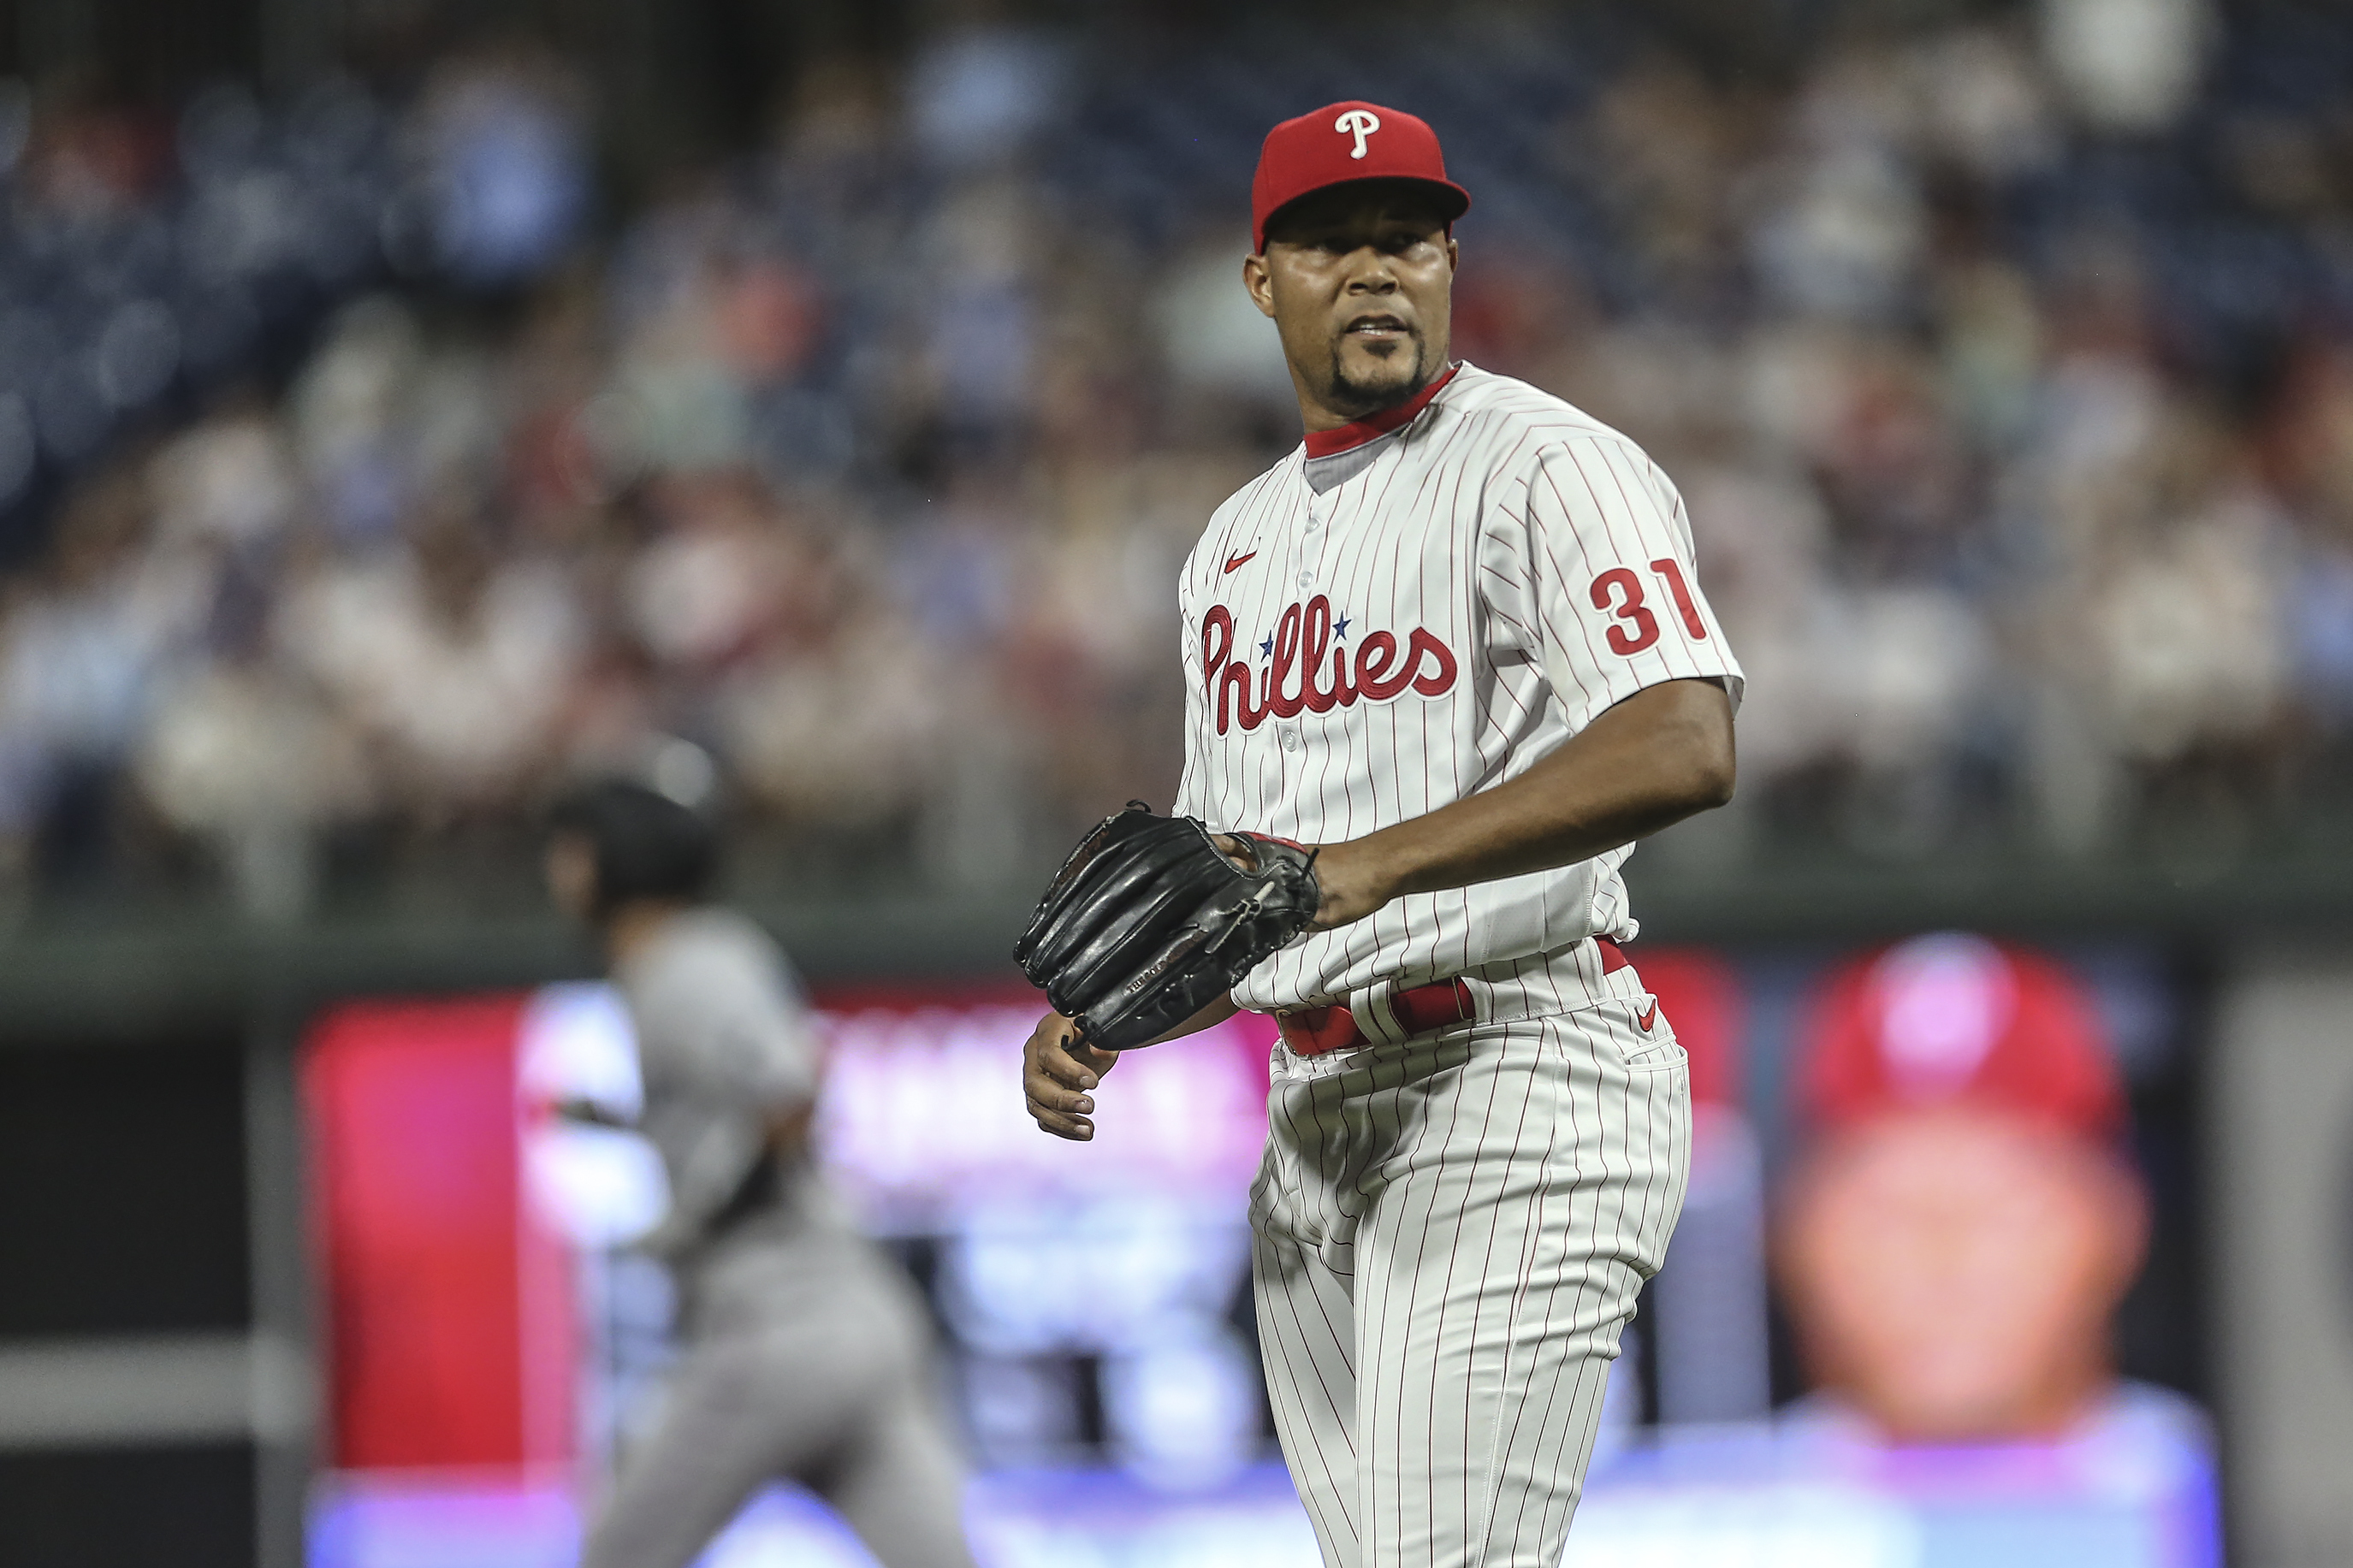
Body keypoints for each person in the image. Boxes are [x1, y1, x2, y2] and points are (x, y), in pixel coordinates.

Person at [1019, 102, 1744, 1568]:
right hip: (1315, 1120)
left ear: (1449, 262)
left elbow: (1686, 737)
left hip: (1516, 1071)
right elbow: (1249, 890)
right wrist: (1114, 1016)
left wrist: (1362, 867)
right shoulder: (1231, 545)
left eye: (1405, 239)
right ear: (1260, 280)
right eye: (1330, 242)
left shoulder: (1548, 467)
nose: (1374, 270)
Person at [545, 773, 975, 1568]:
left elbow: (788, 1092)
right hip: (856, 1316)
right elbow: (737, 1113)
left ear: (617, 857)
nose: (560, 871)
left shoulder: (682, 962)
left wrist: (698, 1213)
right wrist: (626, 1124)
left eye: (574, 850)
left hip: (778, 1325)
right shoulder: (692, 956)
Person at [1775, 932, 2189, 1445]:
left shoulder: (2228, 1493)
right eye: (1887, 1210)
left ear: (2120, 1225)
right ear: (1794, 1239)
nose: (1945, 1256)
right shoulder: (1715, 1505)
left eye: (2005, 1204)